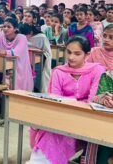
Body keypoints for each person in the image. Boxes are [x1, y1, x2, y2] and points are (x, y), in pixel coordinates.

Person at [27, 36, 105, 164]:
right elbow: (55, 99)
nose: (71, 57)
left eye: (77, 53)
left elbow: (92, 100)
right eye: (68, 52)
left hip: (86, 116)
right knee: (50, 132)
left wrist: (72, 104)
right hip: (61, 114)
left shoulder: (96, 70)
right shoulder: (59, 71)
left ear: (87, 55)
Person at [0, 17, 34, 91]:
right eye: (4, 26)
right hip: (4, 65)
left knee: (9, 80)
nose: (5, 29)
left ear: (15, 29)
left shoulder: (21, 38)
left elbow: (18, 52)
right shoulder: (1, 35)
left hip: (18, 67)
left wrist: (6, 52)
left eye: (9, 27)